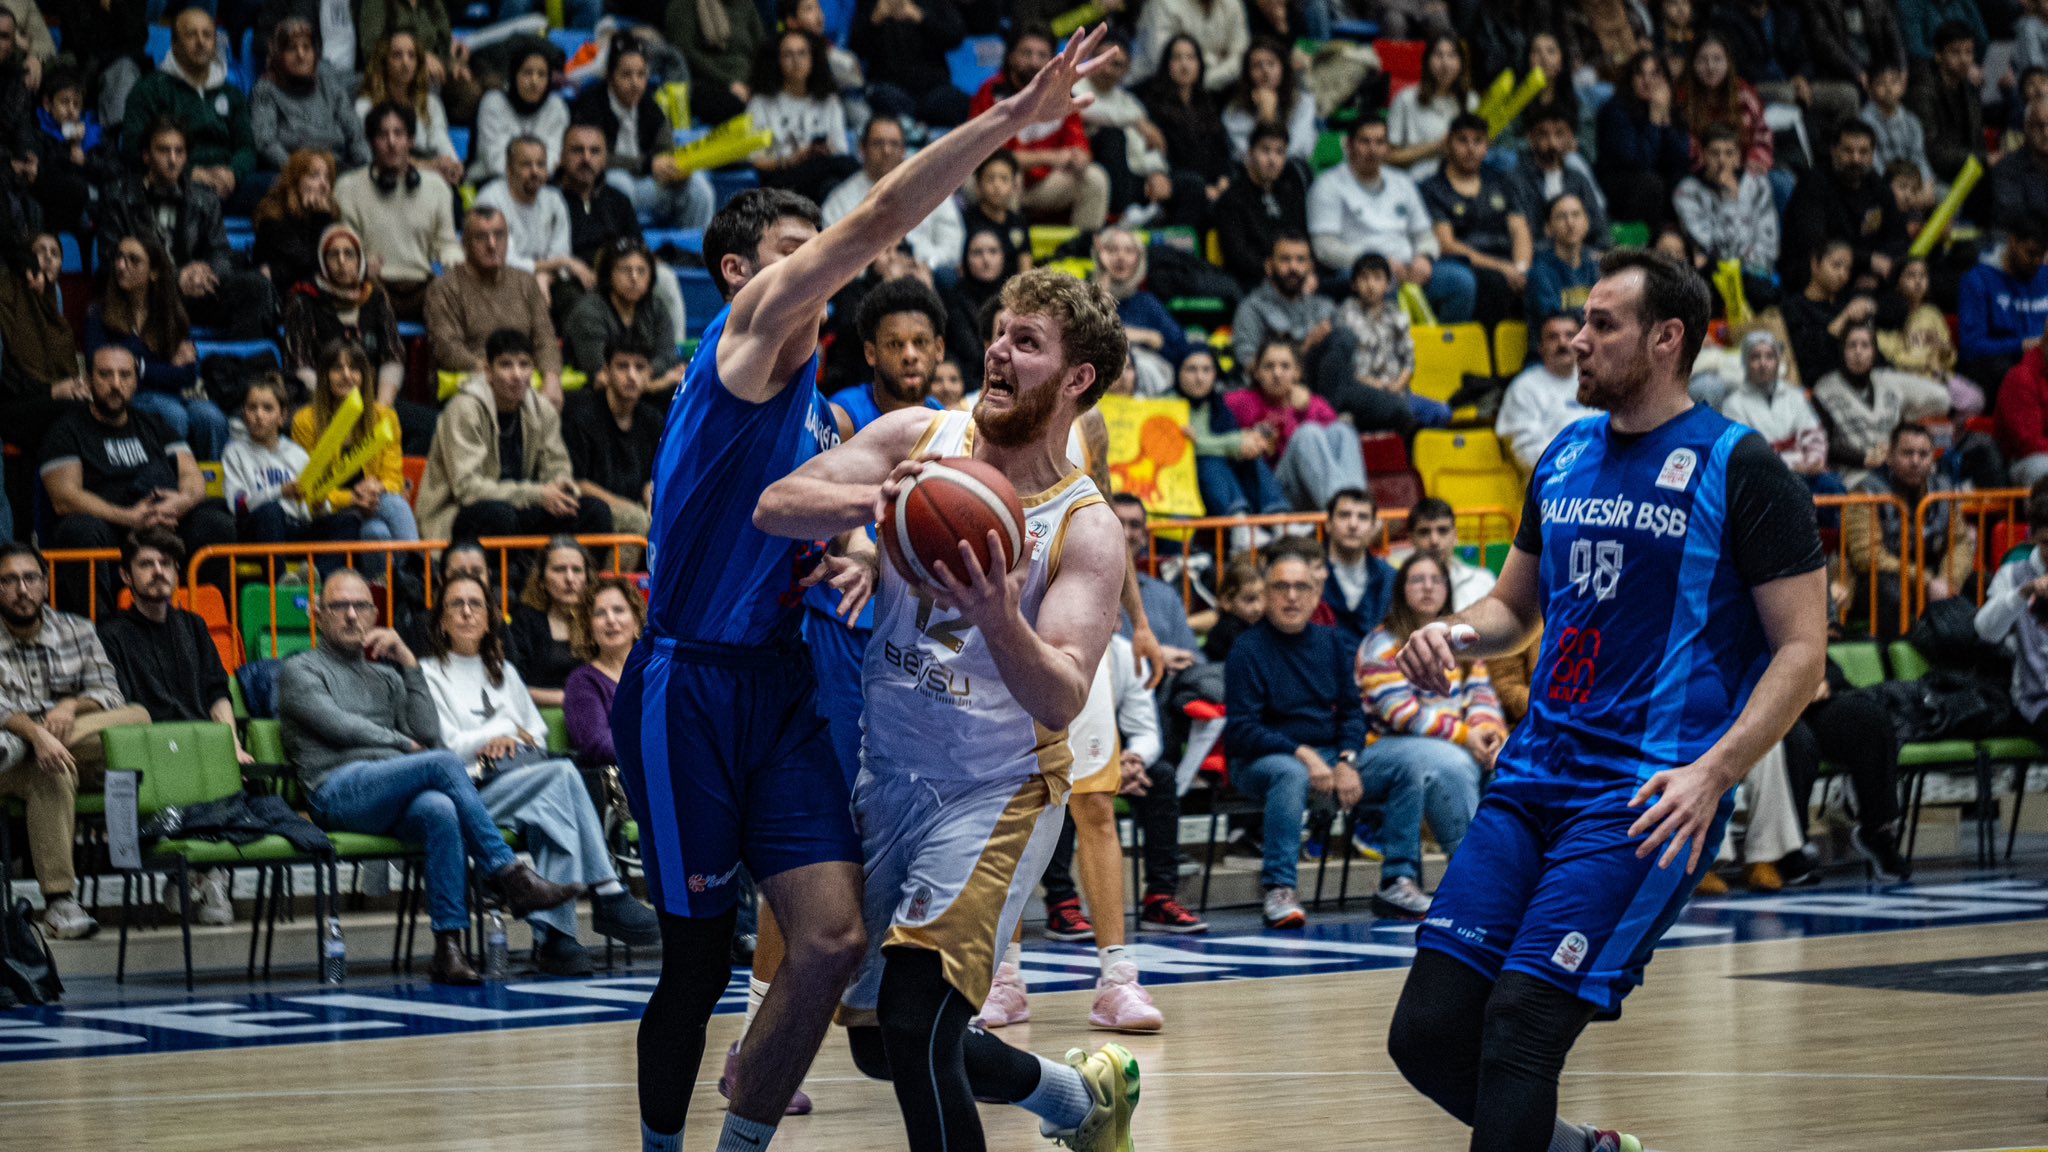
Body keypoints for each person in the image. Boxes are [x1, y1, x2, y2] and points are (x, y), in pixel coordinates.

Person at [612, 31, 1119, 1150]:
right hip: (685, 679)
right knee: (704, 968)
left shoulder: (833, 413)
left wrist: (863, 540)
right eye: (802, 254)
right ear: (748, 276)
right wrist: (1003, 121)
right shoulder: (743, 347)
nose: (823, 272)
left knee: (844, 956)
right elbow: (877, 226)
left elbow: (832, 515)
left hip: (798, 692)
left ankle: (756, 1142)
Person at [1386, 248, 1826, 1152]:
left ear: (1666, 338)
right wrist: (1457, 635)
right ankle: (1584, 1151)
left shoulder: (1741, 468)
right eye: (1579, 323)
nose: (1575, 340)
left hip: (1640, 801)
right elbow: (1514, 607)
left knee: (1519, 1031)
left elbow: (1802, 651)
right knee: (1425, 1035)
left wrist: (1714, 774)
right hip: (1532, 778)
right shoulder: (1567, 451)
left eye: (1600, 325)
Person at [753, 251, 1140, 1150]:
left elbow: (1062, 697)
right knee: (883, 1047)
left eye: (1028, 342)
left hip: (996, 790)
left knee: (921, 1019)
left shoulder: (1085, 528)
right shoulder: (921, 438)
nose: (999, 351)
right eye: (1000, 332)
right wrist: (869, 504)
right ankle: (1076, 1100)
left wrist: (999, 615)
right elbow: (777, 503)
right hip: (888, 772)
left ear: (1078, 377)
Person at [280, 568, 584, 986]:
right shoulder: (300, 670)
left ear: (373, 614)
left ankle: (448, 948)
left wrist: (408, 662)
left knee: (441, 809)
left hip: (390, 790)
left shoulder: (386, 674)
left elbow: (424, 729)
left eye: (361, 606)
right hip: (336, 790)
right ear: (318, 613)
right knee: (441, 763)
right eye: (339, 606)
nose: (351, 616)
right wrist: (403, 747)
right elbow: (340, 727)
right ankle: (509, 875)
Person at [419, 571, 661, 976]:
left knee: (555, 806)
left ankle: (557, 940)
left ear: (489, 617)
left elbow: (540, 736)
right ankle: (606, 890)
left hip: (516, 781)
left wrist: (516, 739)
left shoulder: (505, 673)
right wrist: (503, 733)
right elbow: (445, 745)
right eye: (455, 605)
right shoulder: (428, 673)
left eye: (475, 604)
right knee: (562, 779)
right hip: (465, 789)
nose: (465, 612)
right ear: (441, 620)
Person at [98, 527, 254, 925]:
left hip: (202, 750)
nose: (157, 572)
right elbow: (127, 709)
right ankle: (203, 875)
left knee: (241, 774)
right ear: (126, 576)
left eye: (165, 564)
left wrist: (231, 745)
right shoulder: (110, 634)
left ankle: (200, 874)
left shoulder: (195, 626)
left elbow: (218, 692)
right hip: (151, 753)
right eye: (146, 564)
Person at [0, 543, 152, 941]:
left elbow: (110, 694)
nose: (22, 589)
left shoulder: (78, 629)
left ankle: (198, 873)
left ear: (46, 584)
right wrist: (34, 734)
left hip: (74, 742)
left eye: (31, 578)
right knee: (50, 773)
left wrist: (69, 707)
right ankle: (60, 902)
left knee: (138, 718)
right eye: (9, 580)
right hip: (10, 760)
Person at [1223, 549, 1367, 930]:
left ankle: (1399, 879)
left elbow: (1353, 713)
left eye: (1301, 587)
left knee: (1413, 763)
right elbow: (1241, 729)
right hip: (1262, 762)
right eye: (1281, 587)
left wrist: (1347, 760)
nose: (1291, 596)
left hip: (1332, 756)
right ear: (1266, 593)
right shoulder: (1247, 649)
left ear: (1317, 593)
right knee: (1291, 774)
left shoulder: (1334, 643)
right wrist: (1302, 754)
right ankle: (1280, 888)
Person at [42, 346, 237, 618]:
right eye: (105, 375)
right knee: (78, 530)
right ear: (88, 380)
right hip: (110, 527)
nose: (115, 384)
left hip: (163, 521)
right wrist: (128, 517)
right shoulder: (66, 430)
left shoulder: (154, 424)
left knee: (214, 521)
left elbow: (193, 478)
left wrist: (181, 502)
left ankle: (211, 624)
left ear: (136, 381)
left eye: (124, 375)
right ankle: (100, 637)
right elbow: (64, 498)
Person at [1355, 552, 1498, 918]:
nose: (1428, 587)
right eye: (1417, 580)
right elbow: (1402, 714)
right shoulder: (1380, 644)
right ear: (1401, 591)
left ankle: (1507, 878)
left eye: (1436, 580)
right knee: (1444, 760)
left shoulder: (1462, 643)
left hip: (1456, 745)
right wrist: (1467, 735)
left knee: (1509, 761)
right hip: (1382, 749)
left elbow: (1481, 694)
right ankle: (1471, 877)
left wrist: (1490, 732)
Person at [416, 328, 609, 545]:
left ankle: (570, 575)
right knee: (500, 516)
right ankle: (502, 577)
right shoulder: (463, 409)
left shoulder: (542, 409)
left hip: (522, 507)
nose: (517, 374)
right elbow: (467, 490)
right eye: (506, 365)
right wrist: (538, 494)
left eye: (524, 364)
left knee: (595, 512)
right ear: (488, 370)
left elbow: (557, 465)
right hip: (460, 514)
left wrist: (562, 487)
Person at [97, 119, 276, 344]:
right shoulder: (119, 198)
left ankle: (240, 366)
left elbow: (220, 253)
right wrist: (177, 276)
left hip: (194, 292)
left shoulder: (205, 199)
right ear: (146, 156)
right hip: (147, 295)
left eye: (179, 152)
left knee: (256, 287)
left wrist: (206, 274)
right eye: (164, 150)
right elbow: (110, 260)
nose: (172, 160)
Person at [1308, 117, 1477, 326]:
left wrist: (1424, 258)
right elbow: (1324, 248)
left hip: (1408, 269)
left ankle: (1442, 350)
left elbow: (1424, 235)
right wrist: (1377, 263)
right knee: (1379, 288)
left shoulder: (1402, 182)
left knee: (1462, 282)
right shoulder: (1328, 185)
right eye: (1365, 142)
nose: (1373, 150)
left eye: (1380, 142)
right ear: (1349, 145)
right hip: (1360, 271)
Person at [967, 25, 1113, 231]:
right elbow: (989, 157)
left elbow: (1079, 148)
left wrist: (1080, 158)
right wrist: (1050, 157)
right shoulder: (990, 92)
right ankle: (1008, 251)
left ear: (1053, 60)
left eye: (1042, 55)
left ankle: (1081, 251)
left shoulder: (1062, 93)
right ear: (1011, 57)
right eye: (1027, 53)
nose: (1035, 62)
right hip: (1004, 182)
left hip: (1047, 185)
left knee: (1095, 178)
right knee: (985, 180)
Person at [568, 34, 714, 232]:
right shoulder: (591, 106)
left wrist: (673, 167)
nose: (635, 83)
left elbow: (666, 148)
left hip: (648, 183)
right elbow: (594, 158)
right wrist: (647, 164)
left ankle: (690, 253)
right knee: (618, 185)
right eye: (626, 75)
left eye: (641, 74)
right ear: (610, 76)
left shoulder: (650, 106)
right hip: (609, 183)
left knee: (698, 186)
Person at [425, 208, 566, 406]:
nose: (492, 245)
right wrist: (497, 373)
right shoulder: (444, 288)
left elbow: (545, 337)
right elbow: (447, 348)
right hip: (472, 382)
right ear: (464, 244)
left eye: (499, 235)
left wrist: (552, 378)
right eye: (481, 237)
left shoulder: (525, 282)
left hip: (523, 379)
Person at [121, 8, 258, 211]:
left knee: (282, 189)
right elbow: (134, 148)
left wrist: (232, 173)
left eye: (207, 35)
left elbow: (247, 147)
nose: (201, 42)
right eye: (191, 35)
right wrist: (188, 172)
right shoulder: (149, 89)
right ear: (174, 44)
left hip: (228, 182)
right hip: (176, 181)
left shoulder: (232, 93)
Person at [290, 340, 419, 553]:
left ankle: (386, 584)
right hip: (330, 512)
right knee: (393, 506)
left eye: (355, 369)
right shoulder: (305, 422)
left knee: (376, 533)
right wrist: (351, 498)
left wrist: (377, 487)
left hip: (374, 506)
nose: (347, 375)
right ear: (324, 376)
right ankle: (421, 571)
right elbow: (308, 488)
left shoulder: (384, 417)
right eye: (337, 368)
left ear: (365, 376)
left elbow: (394, 478)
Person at [1845, 422, 1973, 638]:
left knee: (1981, 583)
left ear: (1933, 457)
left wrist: (1948, 579)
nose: (1915, 461)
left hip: (1933, 573)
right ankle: (1894, 661)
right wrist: (1927, 580)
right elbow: (1867, 556)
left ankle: (1975, 662)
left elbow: (1960, 542)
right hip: (1879, 580)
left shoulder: (1942, 489)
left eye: (1923, 454)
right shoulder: (1865, 492)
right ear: (1889, 456)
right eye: (1907, 453)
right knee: (1891, 590)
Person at [335, 102, 460, 321]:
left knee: (453, 306)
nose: (391, 142)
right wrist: (362, 269)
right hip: (373, 285)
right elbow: (345, 248)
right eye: (383, 135)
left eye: (399, 134)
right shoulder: (348, 188)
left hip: (422, 286)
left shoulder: (437, 187)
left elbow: (447, 243)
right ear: (372, 142)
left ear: (411, 140)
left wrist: (455, 263)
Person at [1226, 338, 1371, 511]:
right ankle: (1346, 514)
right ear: (1256, 372)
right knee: (1307, 433)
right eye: (1269, 366)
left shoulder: (1315, 404)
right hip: (1274, 493)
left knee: (1342, 431)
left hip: (1318, 491)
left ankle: (1358, 509)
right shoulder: (1240, 402)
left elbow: (1335, 454)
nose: (1277, 373)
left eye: (1285, 367)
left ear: (1297, 373)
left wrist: (1305, 410)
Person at [223, 375, 364, 553]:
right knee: (271, 512)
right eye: (252, 408)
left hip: (296, 527)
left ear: (282, 416)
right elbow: (238, 506)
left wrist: (319, 505)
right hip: (258, 529)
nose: (259, 415)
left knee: (349, 521)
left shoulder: (297, 454)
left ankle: (316, 575)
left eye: (267, 408)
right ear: (244, 413)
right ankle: (282, 579)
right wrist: (280, 491)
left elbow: (313, 510)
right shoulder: (234, 452)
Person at [1423, 114, 1534, 327]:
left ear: (1487, 146)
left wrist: (1520, 268)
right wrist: (1502, 267)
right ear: (1448, 144)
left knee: (1540, 276)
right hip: (1464, 264)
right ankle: (1489, 356)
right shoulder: (1433, 188)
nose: (1471, 148)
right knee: (1493, 283)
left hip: (1507, 264)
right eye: (1462, 140)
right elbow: (1447, 245)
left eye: (1478, 141)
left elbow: (1520, 230)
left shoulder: (1501, 182)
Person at [281, 225, 406, 408]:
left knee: (425, 425)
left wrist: (382, 405)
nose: (341, 261)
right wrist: (337, 405)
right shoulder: (304, 299)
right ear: (323, 261)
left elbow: (392, 356)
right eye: (333, 255)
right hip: (321, 401)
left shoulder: (375, 296)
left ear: (359, 260)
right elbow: (299, 364)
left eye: (349, 254)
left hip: (374, 399)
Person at [1812, 323, 1950, 488]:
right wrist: (1865, 458)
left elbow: (1942, 398)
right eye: (1851, 345)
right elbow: (1822, 446)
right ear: (1842, 351)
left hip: (1896, 466)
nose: (1858, 352)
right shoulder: (1825, 390)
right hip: (1854, 474)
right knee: (1883, 492)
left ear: (1874, 352)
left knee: (1939, 485)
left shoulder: (1888, 381)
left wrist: (1903, 424)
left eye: (1865, 345)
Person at [819, 118, 964, 274]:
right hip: (864, 281)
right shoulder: (840, 199)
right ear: (862, 148)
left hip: (923, 275)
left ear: (903, 150)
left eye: (894, 144)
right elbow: (831, 257)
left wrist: (916, 261)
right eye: (878, 143)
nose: (886, 150)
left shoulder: (932, 188)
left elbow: (952, 250)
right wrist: (875, 266)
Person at [1781, 120, 1907, 296]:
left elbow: (1898, 239)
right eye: (1848, 151)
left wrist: (1874, 275)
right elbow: (1816, 245)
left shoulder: (1877, 185)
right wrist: (1868, 261)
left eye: (1863, 152)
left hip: (1867, 278)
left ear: (1872, 155)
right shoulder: (1813, 185)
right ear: (1834, 151)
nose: (1856, 159)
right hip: (1816, 279)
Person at [562, 333, 664, 546]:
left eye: (639, 368)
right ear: (606, 372)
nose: (632, 376)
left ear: (649, 375)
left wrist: (651, 492)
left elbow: (655, 476)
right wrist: (627, 507)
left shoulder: (652, 420)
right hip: (588, 512)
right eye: (622, 366)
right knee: (635, 521)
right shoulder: (581, 416)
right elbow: (577, 482)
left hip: (638, 509)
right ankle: (614, 579)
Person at [1717, 330, 1838, 505]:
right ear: (1745, 362)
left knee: (1834, 488)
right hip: (1763, 480)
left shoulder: (1795, 395)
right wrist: (1790, 466)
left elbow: (1813, 435)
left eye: (1769, 356)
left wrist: (1813, 462)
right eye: (1755, 357)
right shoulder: (1733, 404)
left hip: (1806, 472)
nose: (1763, 363)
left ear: (1777, 361)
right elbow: (1746, 453)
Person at [745, 28, 859, 205]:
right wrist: (791, 160)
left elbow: (840, 153)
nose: (796, 61)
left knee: (832, 181)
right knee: (840, 171)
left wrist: (822, 151)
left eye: (802, 53)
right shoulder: (760, 103)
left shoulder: (829, 101)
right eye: (788, 55)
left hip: (822, 175)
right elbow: (754, 160)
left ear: (813, 58)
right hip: (781, 179)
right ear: (777, 60)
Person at [1179, 346, 1285, 518]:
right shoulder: (1167, 403)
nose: (1199, 377)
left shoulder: (1219, 407)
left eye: (1206, 370)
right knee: (1209, 462)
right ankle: (1239, 525)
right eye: (1192, 369)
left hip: (1229, 482)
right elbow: (1186, 448)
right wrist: (1235, 443)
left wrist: (1248, 443)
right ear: (1178, 371)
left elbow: (1236, 444)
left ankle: (1278, 518)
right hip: (1187, 488)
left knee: (1252, 456)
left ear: (1215, 374)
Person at [251, 17, 368, 172]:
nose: (301, 54)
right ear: (279, 55)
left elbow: (356, 134)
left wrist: (363, 170)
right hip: (290, 174)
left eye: (306, 47)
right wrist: (302, 174)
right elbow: (265, 143)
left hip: (335, 169)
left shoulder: (329, 86)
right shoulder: (265, 91)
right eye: (292, 48)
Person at [473, 137, 579, 305]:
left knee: (573, 297)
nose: (535, 171)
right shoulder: (490, 200)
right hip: (496, 282)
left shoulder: (554, 200)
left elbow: (559, 251)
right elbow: (502, 260)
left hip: (545, 279)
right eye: (526, 165)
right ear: (509, 169)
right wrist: (558, 264)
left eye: (541, 164)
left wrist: (544, 276)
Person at [1595, 51, 1692, 230]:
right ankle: (1644, 244)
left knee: (1684, 181)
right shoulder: (1616, 110)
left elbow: (1681, 159)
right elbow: (1638, 161)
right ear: (1630, 79)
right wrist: (1655, 120)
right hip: (1621, 184)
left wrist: (1666, 120)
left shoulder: (1670, 107)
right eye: (1640, 74)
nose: (1647, 81)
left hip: (1655, 182)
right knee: (1650, 183)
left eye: (1655, 74)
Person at [356, 31, 463, 187]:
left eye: (411, 56)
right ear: (384, 61)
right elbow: (369, 156)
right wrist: (428, 167)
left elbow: (441, 140)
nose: (405, 63)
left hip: (430, 175)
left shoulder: (430, 103)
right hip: (384, 179)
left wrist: (453, 165)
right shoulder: (366, 106)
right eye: (397, 55)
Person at [1957, 219, 2048, 400]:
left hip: (2042, 361)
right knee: (2009, 373)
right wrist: (2021, 345)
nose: (2036, 262)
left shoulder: (2044, 276)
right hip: (1998, 367)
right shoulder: (1977, 280)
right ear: (2012, 242)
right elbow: (1971, 347)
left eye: (2041, 255)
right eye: (2030, 253)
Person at [1672, 125, 1778, 280]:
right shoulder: (1687, 192)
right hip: (1715, 272)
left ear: (1738, 158)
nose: (1721, 160)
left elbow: (1768, 242)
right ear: (1704, 155)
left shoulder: (1758, 185)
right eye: (1715, 153)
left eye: (1729, 153)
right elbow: (1714, 247)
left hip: (1757, 272)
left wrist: (1751, 267)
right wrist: (1727, 198)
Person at [1213, 121, 1310, 290]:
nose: (1272, 160)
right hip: (1253, 281)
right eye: (1265, 150)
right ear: (1250, 153)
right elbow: (1237, 255)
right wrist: (1278, 271)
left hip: (1294, 275)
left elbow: (1303, 238)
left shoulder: (1291, 194)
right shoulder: (1231, 199)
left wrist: (1307, 271)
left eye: (1279, 152)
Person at [562, 573, 643, 772]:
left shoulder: (656, 673)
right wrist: (656, 750)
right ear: (589, 629)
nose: (610, 620)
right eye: (599, 613)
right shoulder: (582, 682)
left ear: (637, 622)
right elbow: (596, 744)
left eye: (619, 610)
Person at [850, 0, 972, 130]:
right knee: (883, 98)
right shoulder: (872, 3)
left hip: (933, 89)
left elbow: (956, 35)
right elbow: (856, 47)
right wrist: (876, 18)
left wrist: (920, 17)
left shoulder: (935, 3)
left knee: (955, 100)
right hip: (889, 88)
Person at [1499, 314, 1595, 475]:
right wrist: (1581, 463)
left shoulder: (1598, 381)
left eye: (1570, 335)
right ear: (1541, 347)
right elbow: (1525, 453)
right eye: (1553, 337)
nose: (1562, 343)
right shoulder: (1524, 388)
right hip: (1552, 482)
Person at [469, 39, 569, 187]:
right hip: (491, 182)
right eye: (527, 73)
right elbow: (495, 161)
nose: (534, 81)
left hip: (541, 185)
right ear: (514, 75)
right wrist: (531, 177)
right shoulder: (493, 102)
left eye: (541, 75)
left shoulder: (556, 107)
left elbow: (553, 158)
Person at [1509, 106, 1610, 249]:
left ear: (1571, 137)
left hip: (1581, 256)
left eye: (1559, 134)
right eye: (1543, 134)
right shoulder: (1517, 180)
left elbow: (1598, 228)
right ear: (1530, 138)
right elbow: (1522, 235)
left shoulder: (1578, 179)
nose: (1552, 142)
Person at [507, 536, 591, 709]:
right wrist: (566, 699)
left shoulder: (598, 616)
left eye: (576, 570)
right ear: (542, 579)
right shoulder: (524, 620)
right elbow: (513, 685)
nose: (569, 578)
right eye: (559, 569)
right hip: (536, 715)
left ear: (587, 578)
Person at [1782, 238, 1877, 385]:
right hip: (1821, 385)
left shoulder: (1845, 301)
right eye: (1836, 265)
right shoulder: (1794, 307)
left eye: (1847, 269)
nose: (1842, 275)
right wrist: (1845, 317)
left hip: (1862, 381)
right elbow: (1808, 357)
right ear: (1815, 264)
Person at [1388, 34, 1479, 180]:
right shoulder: (1406, 99)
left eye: (1452, 56)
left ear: (1461, 63)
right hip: (1419, 182)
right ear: (1427, 61)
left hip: (1461, 182)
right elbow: (1389, 157)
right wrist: (1436, 147)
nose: (1445, 63)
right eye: (1438, 55)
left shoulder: (1471, 101)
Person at [665, 0, 766, 127]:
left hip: (749, 81)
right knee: (735, 107)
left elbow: (762, 49)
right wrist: (728, 82)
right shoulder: (683, 5)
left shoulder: (746, 4)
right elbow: (685, 52)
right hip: (707, 81)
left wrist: (756, 85)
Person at [252, 149, 337, 294]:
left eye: (327, 178)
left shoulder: (326, 217)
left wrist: (277, 272)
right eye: (314, 175)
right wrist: (320, 221)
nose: (324, 185)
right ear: (295, 181)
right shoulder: (272, 219)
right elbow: (310, 263)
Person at [1322, 487, 1397, 651]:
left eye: (1362, 517)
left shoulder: (1391, 578)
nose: (1353, 524)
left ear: (1373, 527)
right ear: (1328, 524)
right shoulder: (1308, 576)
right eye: (1344, 515)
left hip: (1376, 671)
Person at [1394, 497, 1499, 612]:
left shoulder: (1482, 581)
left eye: (1443, 530)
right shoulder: (1394, 583)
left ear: (1455, 535)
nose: (1434, 541)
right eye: (1424, 532)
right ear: (1411, 539)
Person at [1221, 37, 1315, 163]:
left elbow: (1298, 149)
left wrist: (1270, 118)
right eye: (1257, 66)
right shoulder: (1234, 111)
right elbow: (1246, 155)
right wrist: (1265, 116)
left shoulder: (1303, 102)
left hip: (1291, 172)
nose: (1265, 71)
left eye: (1271, 64)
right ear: (1248, 74)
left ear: (1282, 68)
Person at [1129, 0, 1248, 91]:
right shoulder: (1163, 4)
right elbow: (1164, 63)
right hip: (1151, 87)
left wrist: (1200, 79)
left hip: (1212, 90)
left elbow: (1242, 59)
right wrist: (1214, 59)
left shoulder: (1232, 4)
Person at [1991, 96, 2048, 237]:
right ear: (2026, 128)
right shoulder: (2007, 168)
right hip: (2025, 245)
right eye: (2039, 126)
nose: (2046, 133)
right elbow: (2015, 218)